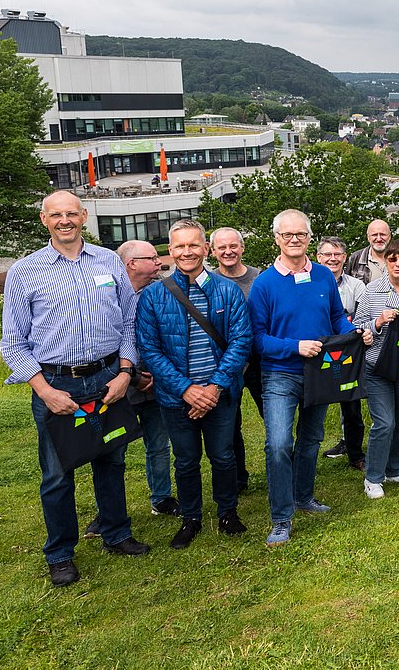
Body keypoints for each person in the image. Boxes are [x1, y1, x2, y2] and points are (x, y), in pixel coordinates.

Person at [0, 191, 150, 587]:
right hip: (55, 384)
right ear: (44, 220)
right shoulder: (25, 271)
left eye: (71, 213)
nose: (65, 220)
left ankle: (117, 533)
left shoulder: (108, 262)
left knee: (111, 461)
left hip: (107, 379)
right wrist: (43, 389)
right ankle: (61, 553)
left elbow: (129, 325)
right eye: (56, 215)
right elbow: (13, 343)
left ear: (84, 216)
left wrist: (125, 373)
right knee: (56, 473)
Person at [248, 209, 364, 546]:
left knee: (311, 439)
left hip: (320, 373)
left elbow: (335, 318)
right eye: (287, 235)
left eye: (300, 234)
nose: (294, 240)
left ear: (309, 238)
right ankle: (282, 517)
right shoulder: (265, 283)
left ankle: (303, 497)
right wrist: (294, 347)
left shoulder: (325, 277)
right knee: (279, 444)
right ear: (277, 239)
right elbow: (257, 338)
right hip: (280, 374)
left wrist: (352, 332)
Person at [136, 219, 253, 549]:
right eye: (180, 246)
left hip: (220, 395)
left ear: (205, 249)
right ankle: (191, 517)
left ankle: (228, 512)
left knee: (223, 456)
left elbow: (241, 341)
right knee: (186, 460)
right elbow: (150, 349)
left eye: (193, 245)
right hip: (177, 398)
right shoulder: (154, 296)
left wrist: (214, 387)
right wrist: (186, 389)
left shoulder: (227, 290)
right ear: (170, 251)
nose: (187, 252)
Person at [83, 240, 177, 539]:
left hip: (157, 381)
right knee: (112, 449)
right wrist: (132, 375)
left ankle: (161, 498)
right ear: (131, 263)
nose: (160, 263)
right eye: (152, 258)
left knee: (159, 444)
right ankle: (108, 513)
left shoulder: (162, 292)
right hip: (119, 384)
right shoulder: (106, 295)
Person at [352, 238, 399, 499]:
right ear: (386, 261)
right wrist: (377, 322)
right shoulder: (372, 290)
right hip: (377, 366)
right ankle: (373, 477)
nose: (398, 264)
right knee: (384, 422)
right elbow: (358, 325)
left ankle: (395, 469)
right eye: (393, 259)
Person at [210, 226, 263, 492]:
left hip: (260, 361)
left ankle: (286, 470)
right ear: (213, 251)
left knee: (275, 419)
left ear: (242, 248)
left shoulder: (259, 278)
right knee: (230, 424)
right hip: (227, 363)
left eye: (234, 246)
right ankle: (238, 478)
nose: (228, 252)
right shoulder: (208, 282)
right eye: (222, 248)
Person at [315, 237, 369, 470]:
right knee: (315, 404)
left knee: (352, 404)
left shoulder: (356, 285)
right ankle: (306, 452)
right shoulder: (312, 283)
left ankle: (355, 454)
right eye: (327, 254)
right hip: (319, 351)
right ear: (318, 258)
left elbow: (359, 316)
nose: (332, 259)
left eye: (337, 254)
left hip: (347, 352)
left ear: (345, 258)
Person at [346, 219, 391, 284]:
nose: (379, 239)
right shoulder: (355, 259)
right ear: (368, 237)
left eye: (383, 234)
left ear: (389, 236)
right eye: (374, 235)